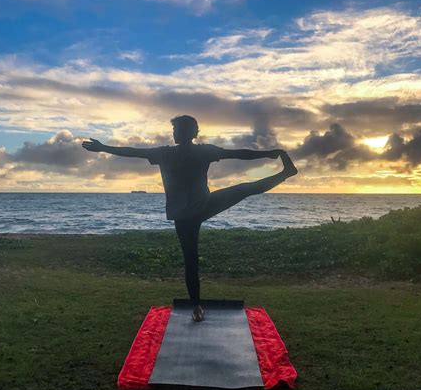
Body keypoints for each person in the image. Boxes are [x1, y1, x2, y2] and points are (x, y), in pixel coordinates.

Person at [82, 115, 298, 322]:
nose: (175, 133)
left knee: (192, 257)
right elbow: (238, 153)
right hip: (197, 209)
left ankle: (196, 306)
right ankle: (285, 173)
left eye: (177, 129)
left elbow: (238, 153)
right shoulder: (182, 152)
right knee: (242, 192)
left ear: (190, 132)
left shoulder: (172, 153)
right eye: (174, 129)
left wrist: (104, 148)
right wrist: (268, 153)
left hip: (189, 212)